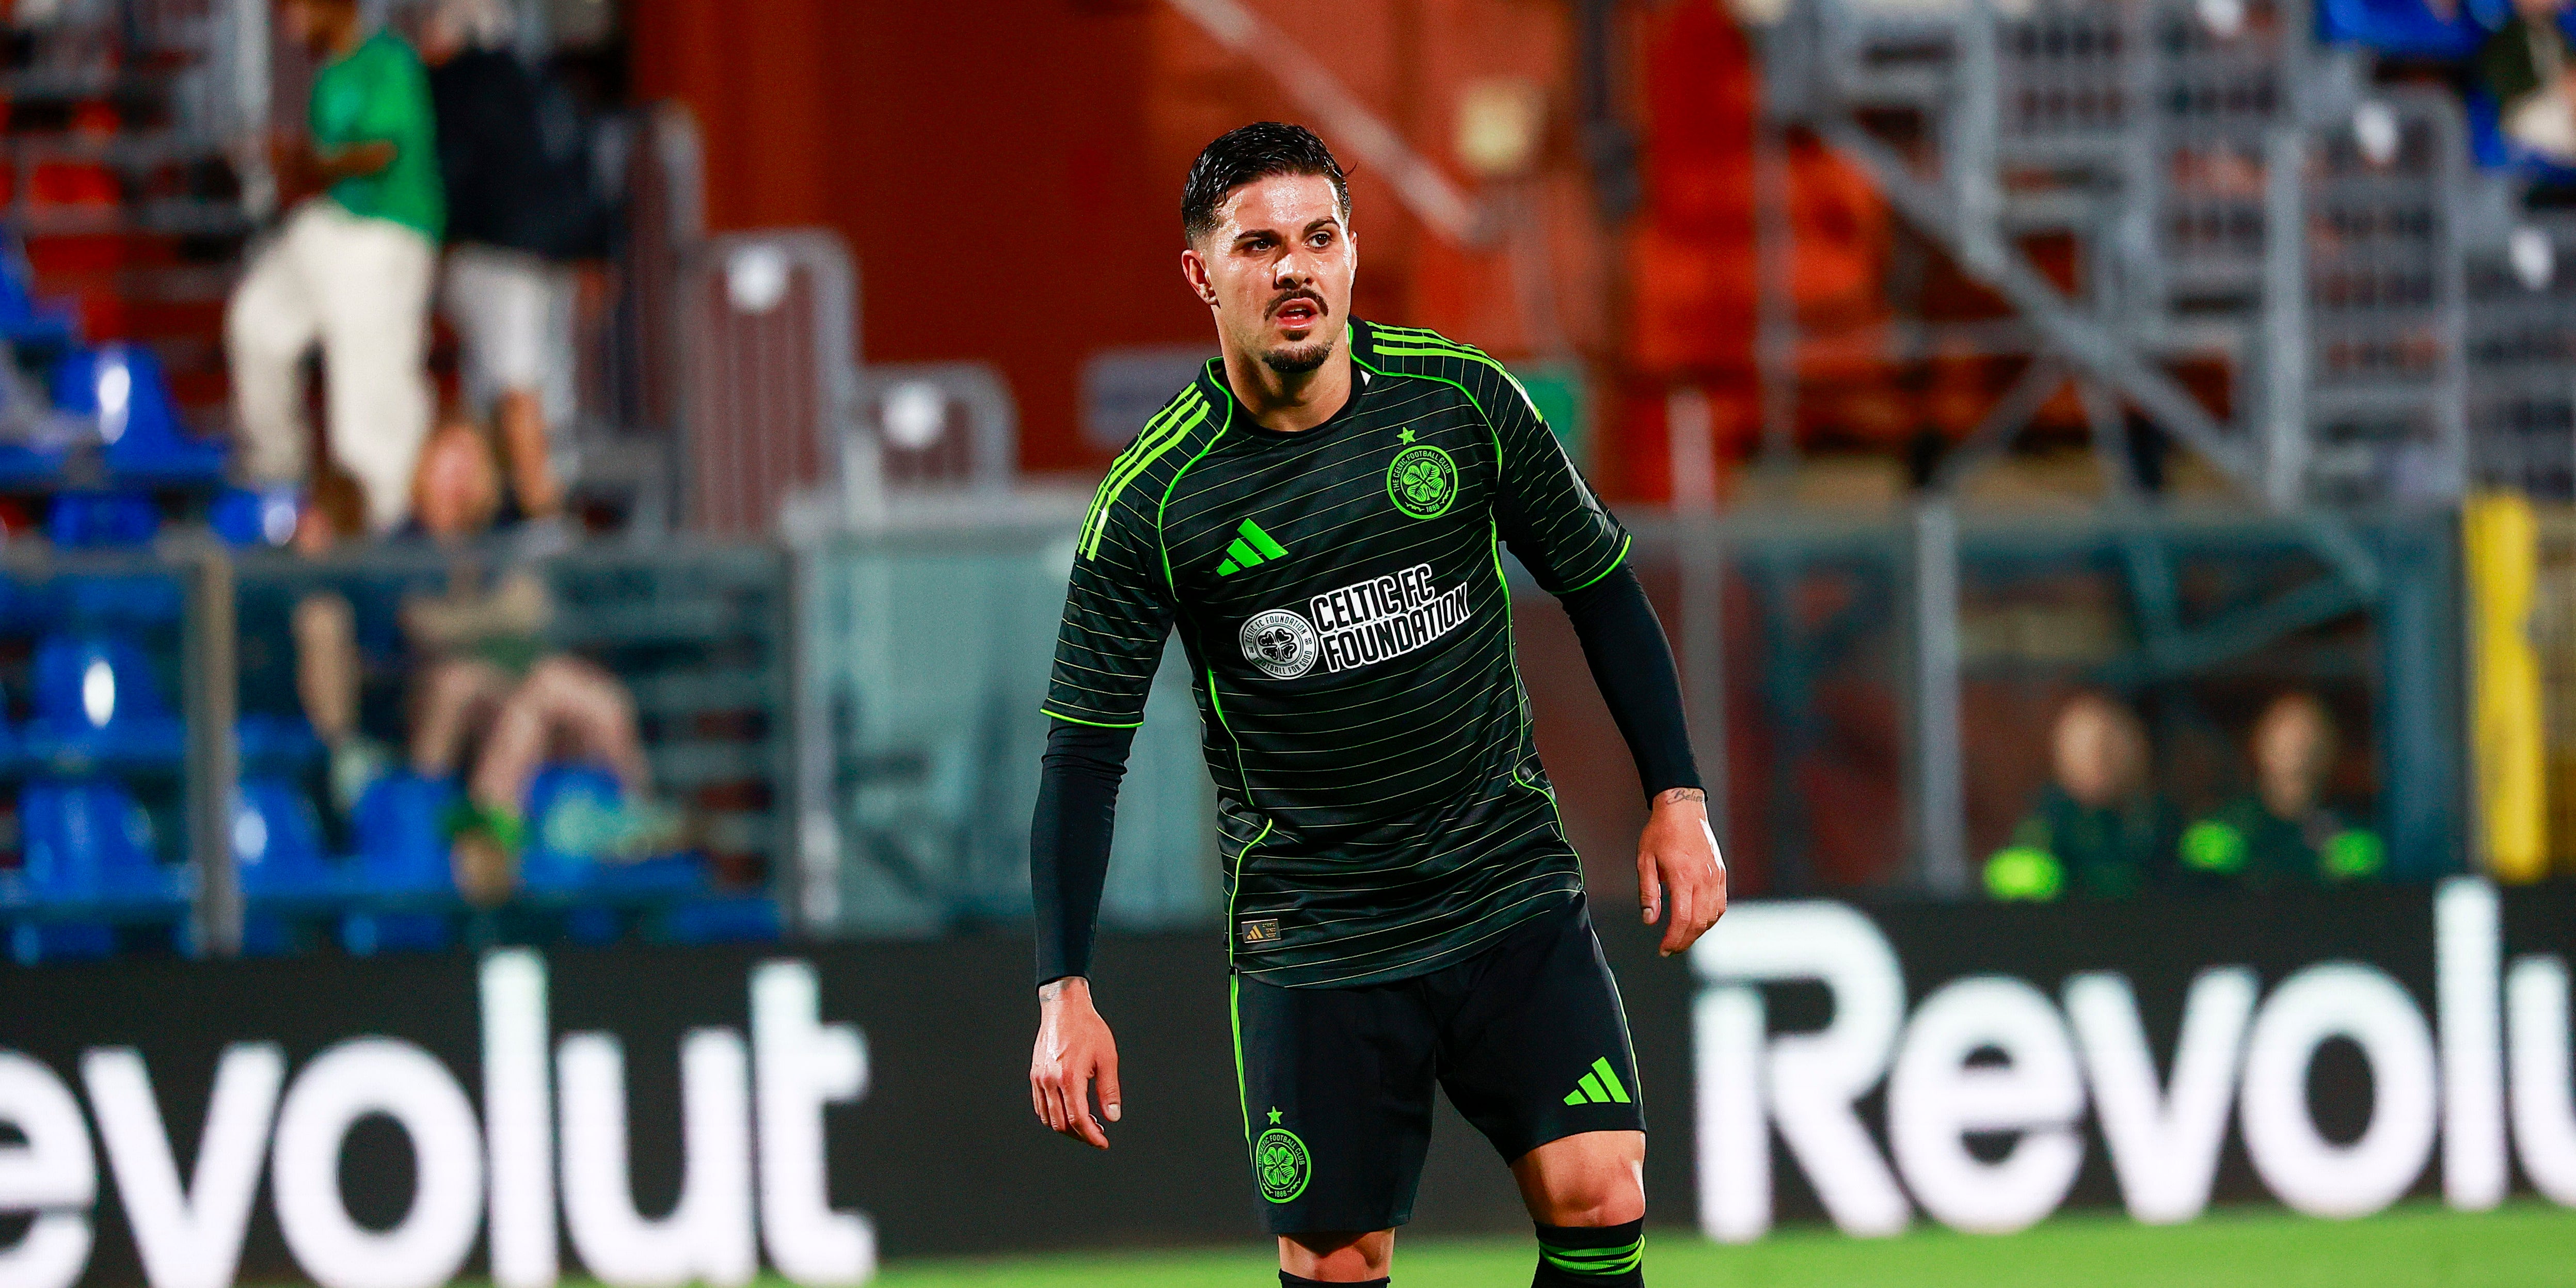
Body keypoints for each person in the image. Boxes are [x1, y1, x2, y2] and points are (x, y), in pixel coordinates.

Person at [1027, 123, 1724, 1288]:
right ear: (1202, 274)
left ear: (1352, 253)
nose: (1294, 269)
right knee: (1339, 1262)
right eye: (1259, 246)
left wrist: (1677, 794)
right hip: (1317, 932)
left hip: (1503, 887)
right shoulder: (1155, 500)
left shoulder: (1460, 401)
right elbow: (1083, 757)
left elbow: (1600, 586)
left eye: (1318, 238)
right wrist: (1065, 989)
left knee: (1602, 1186)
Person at [295, 418, 677, 904]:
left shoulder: (501, 540)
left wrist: (474, 620)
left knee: (594, 698)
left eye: (471, 464)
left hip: (512, 685)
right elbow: (423, 627)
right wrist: (495, 616)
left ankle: (633, 817)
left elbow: (533, 612)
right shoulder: (399, 548)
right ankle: (478, 848)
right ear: (425, 469)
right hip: (419, 710)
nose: (459, 477)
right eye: (448, 462)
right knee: (481, 686)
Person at [226, 0, 443, 538]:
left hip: (386, 232)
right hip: (331, 224)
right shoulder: (329, 76)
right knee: (256, 324)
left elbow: (380, 150)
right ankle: (277, 475)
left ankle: (383, 524)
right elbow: (322, 164)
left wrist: (304, 161)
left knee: (368, 394)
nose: (287, 17)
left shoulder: (388, 60)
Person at [414, 0, 612, 525]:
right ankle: (539, 500)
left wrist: (439, 243)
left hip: (500, 254)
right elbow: (581, 168)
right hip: (551, 256)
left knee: (515, 386)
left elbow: (448, 171)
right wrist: (593, 249)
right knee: (543, 387)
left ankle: (540, 511)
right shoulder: (539, 79)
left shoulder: (458, 84)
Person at [1984, 692, 2182, 901]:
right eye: (2088, 748)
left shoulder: (2157, 816)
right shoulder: (2048, 820)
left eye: (2111, 746)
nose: (2101, 758)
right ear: (2063, 752)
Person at [2180, 692, 2387, 888]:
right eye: (2285, 741)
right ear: (2260, 747)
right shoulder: (2222, 828)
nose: (2297, 752)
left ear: (2329, 753)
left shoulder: (2350, 838)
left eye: (2308, 741)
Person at [2480, 0, 2576, 164]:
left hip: (2561, 105)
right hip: (2525, 113)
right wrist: (2559, 89)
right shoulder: (2506, 39)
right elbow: (2509, 94)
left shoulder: (2556, 30)